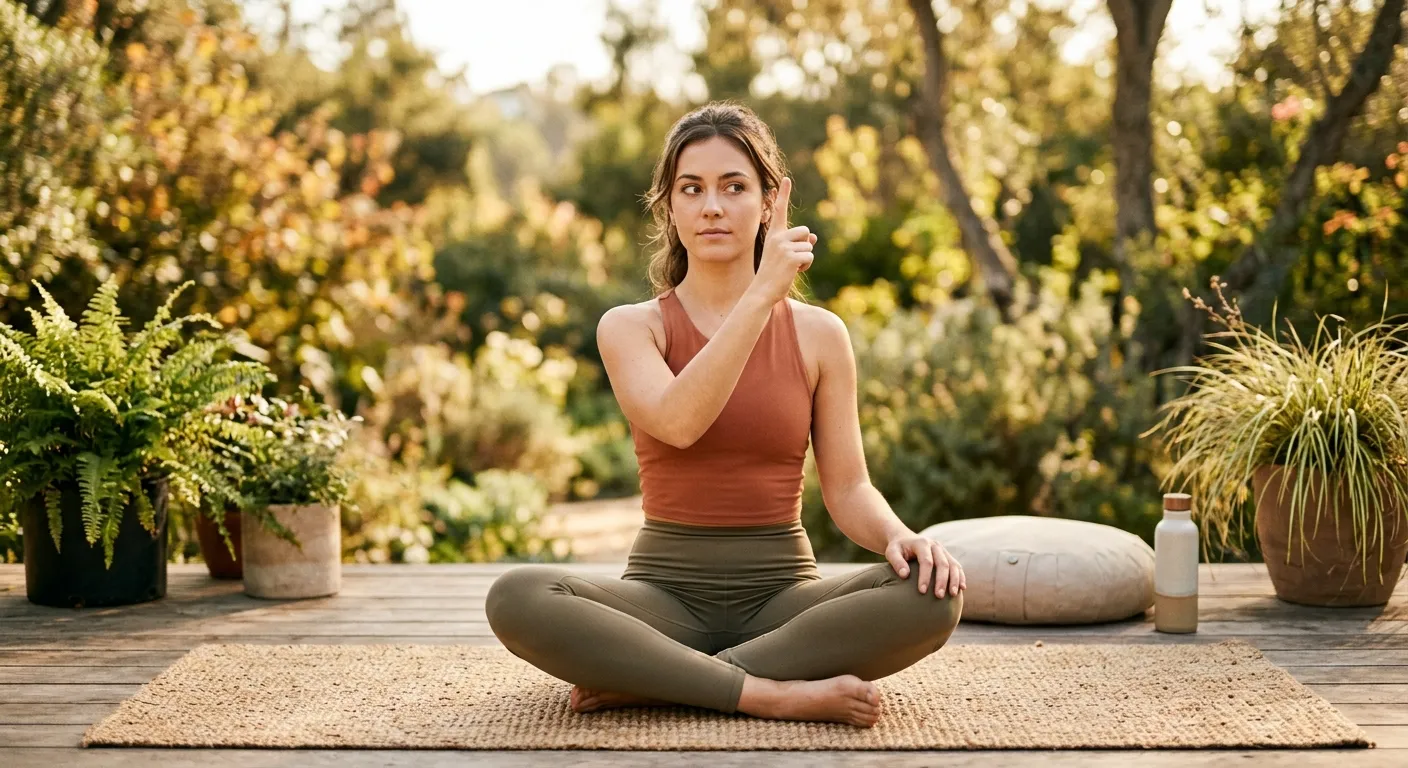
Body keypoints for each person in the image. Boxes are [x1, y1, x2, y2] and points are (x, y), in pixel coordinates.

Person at [485, 101, 964, 729]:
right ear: (671, 208)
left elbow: (848, 488)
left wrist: (900, 537)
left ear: (769, 202)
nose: (712, 205)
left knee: (933, 595)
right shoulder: (633, 327)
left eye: (733, 187)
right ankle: (767, 692)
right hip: (661, 595)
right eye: (692, 189)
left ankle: (658, 678)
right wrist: (763, 294)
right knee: (516, 596)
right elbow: (679, 421)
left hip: (784, 597)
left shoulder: (821, 335)